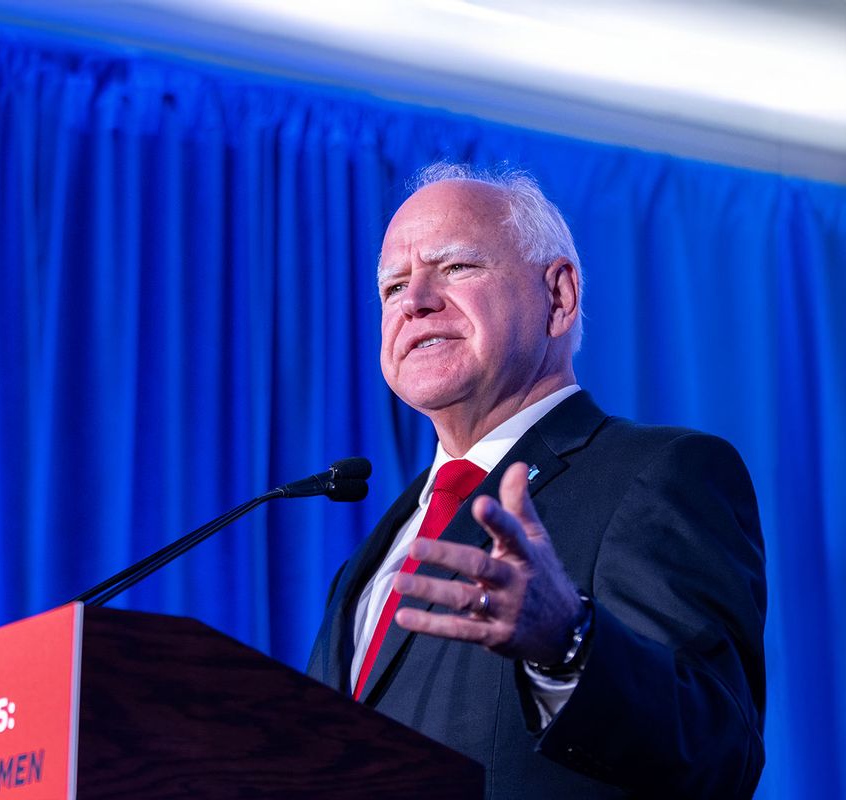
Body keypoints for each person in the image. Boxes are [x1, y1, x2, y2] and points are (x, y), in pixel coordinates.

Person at [306, 163, 766, 798]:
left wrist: (569, 642)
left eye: (456, 268)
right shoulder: (372, 556)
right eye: (392, 288)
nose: (414, 302)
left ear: (559, 297)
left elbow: (721, 753)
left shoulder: (659, 475)